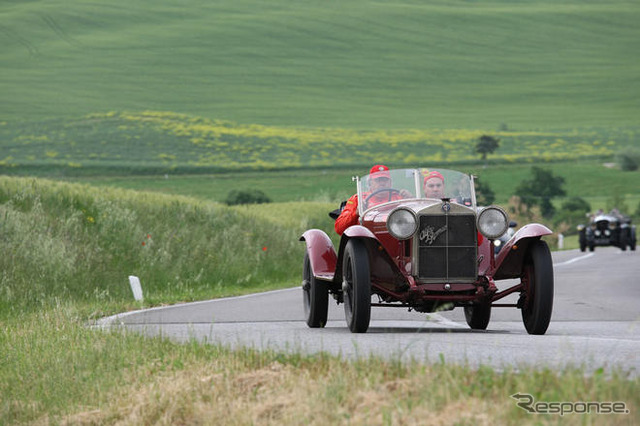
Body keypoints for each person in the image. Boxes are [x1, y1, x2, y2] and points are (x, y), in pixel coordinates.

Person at [335, 165, 406, 235]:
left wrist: (411, 201)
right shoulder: (358, 199)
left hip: (398, 236)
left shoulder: (399, 198)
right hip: (368, 240)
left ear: (390, 183)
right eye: (378, 180)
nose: (382, 183)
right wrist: (356, 213)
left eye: (385, 180)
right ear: (370, 183)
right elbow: (339, 229)